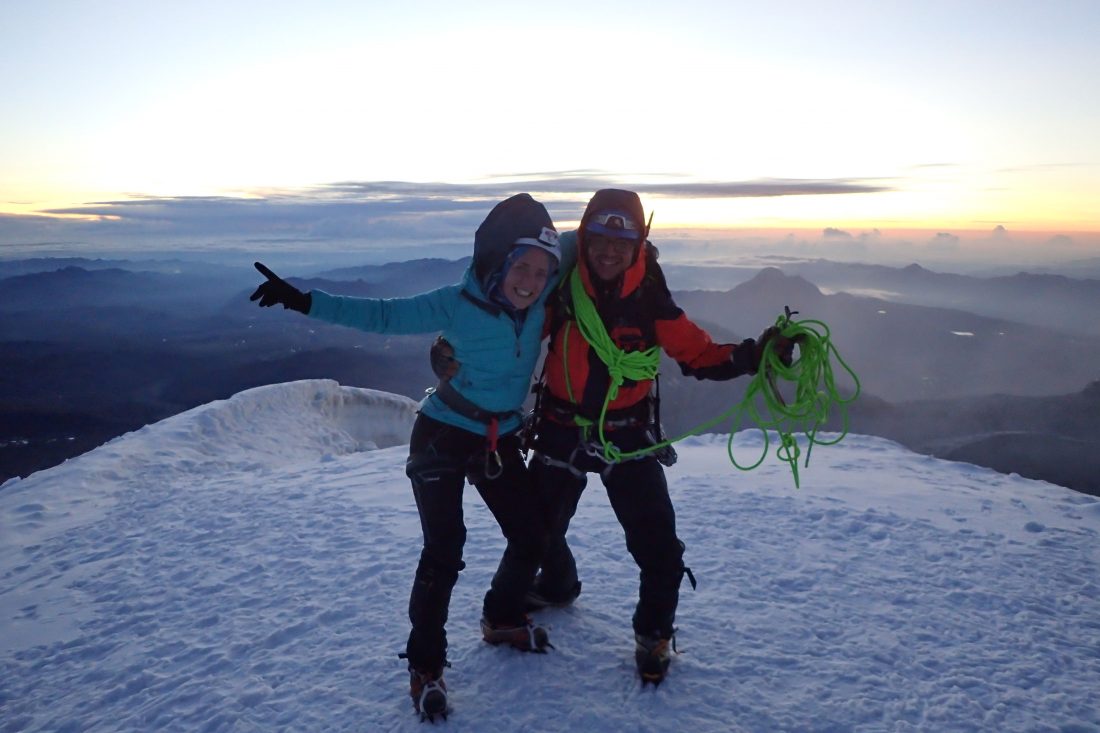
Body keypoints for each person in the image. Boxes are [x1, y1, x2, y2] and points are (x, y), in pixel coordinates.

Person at [249, 193, 573, 720]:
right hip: (443, 432)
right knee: (444, 550)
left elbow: (594, 240)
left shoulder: (541, 300)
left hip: (498, 436)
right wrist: (303, 300)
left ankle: (500, 616)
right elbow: (383, 315)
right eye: (522, 267)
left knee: (532, 533)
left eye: (542, 271)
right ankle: (426, 666)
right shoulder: (456, 303)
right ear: (497, 262)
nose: (531, 281)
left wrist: (624, 228)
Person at [522, 188, 790, 685]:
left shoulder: (649, 296)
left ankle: (654, 635)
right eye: (599, 239)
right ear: (583, 239)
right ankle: (558, 585)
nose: (608, 252)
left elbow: (697, 353)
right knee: (533, 534)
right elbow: (513, 336)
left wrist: (756, 355)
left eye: (620, 244)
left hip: (627, 434)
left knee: (659, 549)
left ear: (638, 246)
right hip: (562, 426)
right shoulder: (561, 287)